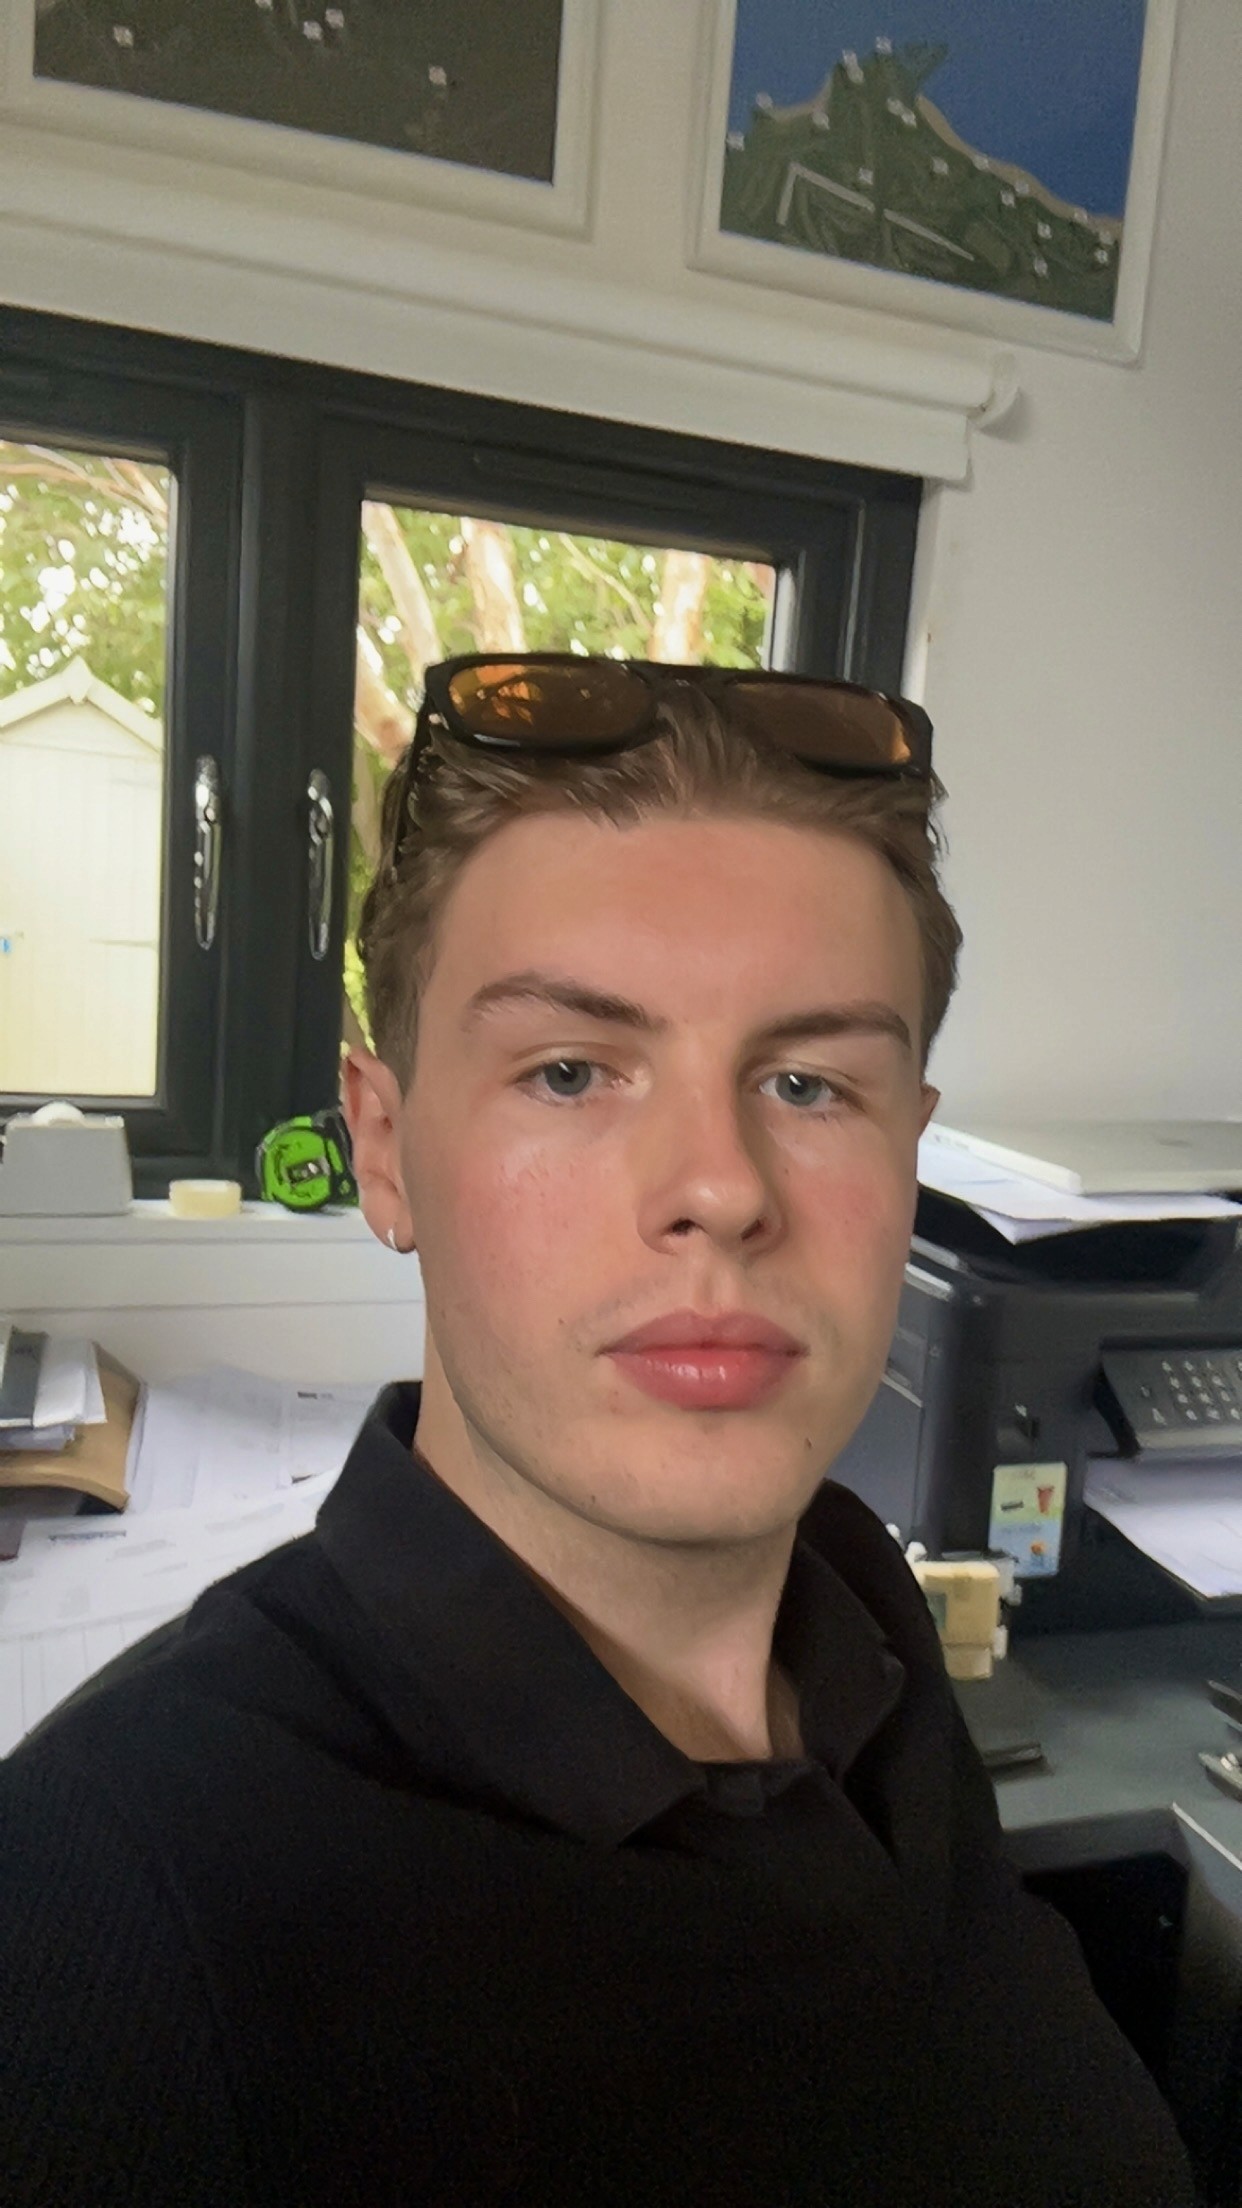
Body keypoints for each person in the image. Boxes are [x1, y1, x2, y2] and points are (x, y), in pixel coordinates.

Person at [0, 657, 1197, 2207]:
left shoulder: (861, 1626)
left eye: (811, 1082)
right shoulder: (105, 1918)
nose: (722, 1183)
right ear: (383, 1146)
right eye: (569, 1071)